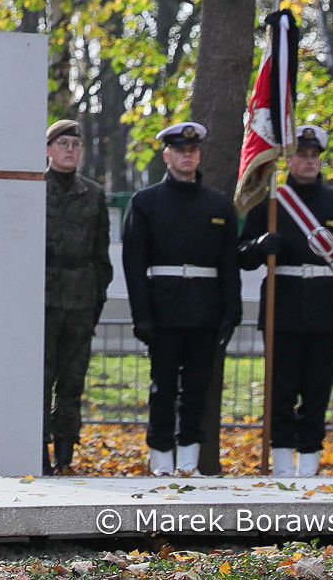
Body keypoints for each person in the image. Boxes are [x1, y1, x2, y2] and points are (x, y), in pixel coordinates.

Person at [237, 123, 333, 478]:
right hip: (283, 309)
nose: (308, 161)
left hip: (326, 310)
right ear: (288, 160)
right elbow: (241, 254)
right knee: (280, 391)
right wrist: (259, 246)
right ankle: (281, 461)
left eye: (313, 155)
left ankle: (309, 462)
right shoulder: (270, 202)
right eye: (300, 155)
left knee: (317, 392)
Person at [121, 120, 241, 477]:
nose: (187, 156)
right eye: (179, 150)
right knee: (163, 389)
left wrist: (231, 312)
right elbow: (134, 264)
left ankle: (189, 462)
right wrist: (142, 315)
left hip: (205, 309)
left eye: (192, 150)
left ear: (199, 155)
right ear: (167, 155)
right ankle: (161, 460)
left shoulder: (218, 204)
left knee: (197, 390)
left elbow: (229, 264)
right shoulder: (146, 202)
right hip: (164, 309)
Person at [42, 118, 113, 475]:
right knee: (40, 382)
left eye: (75, 145)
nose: (70, 150)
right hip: (43, 300)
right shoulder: (34, 188)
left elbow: (101, 254)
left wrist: (96, 298)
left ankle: (65, 454)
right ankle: (38, 452)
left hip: (80, 300)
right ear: (48, 150)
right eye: (63, 144)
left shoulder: (94, 194)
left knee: (72, 384)